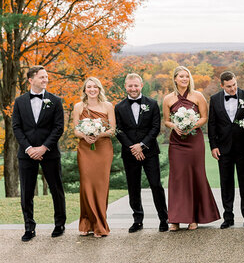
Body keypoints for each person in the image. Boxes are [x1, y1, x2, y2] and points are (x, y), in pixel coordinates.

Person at [12, 66, 67, 242]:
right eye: (42, 77)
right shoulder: (19, 102)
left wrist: (44, 147)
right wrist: (29, 148)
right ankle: (29, 227)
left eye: (46, 77)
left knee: (56, 189)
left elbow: (58, 127)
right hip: (26, 154)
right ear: (31, 80)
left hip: (49, 153)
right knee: (26, 192)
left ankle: (59, 224)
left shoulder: (55, 101)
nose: (45, 80)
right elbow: (16, 127)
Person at [162, 66, 220, 230]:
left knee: (195, 176)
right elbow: (166, 121)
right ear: (175, 78)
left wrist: (191, 125)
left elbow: (204, 117)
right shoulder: (168, 99)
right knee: (178, 178)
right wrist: (175, 125)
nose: (184, 79)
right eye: (181, 76)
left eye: (187, 76)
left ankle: (193, 218)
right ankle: (175, 219)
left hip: (194, 141)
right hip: (177, 142)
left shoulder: (198, 95)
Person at [115, 73, 168, 233]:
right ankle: (138, 220)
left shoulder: (152, 104)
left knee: (156, 185)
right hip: (130, 153)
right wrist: (133, 147)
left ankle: (163, 218)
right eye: (130, 86)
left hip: (149, 151)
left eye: (136, 85)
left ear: (141, 85)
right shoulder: (119, 107)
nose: (133, 88)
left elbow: (155, 128)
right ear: (125, 86)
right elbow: (119, 130)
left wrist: (142, 145)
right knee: (133, 186)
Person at [208, 71, 244, 228]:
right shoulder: (214, 99)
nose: (233, 88)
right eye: (229, 86)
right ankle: (228, 217)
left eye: (234, 84)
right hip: (223, 148)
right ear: (222, 85)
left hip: (243, 147)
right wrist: (213, 146)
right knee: (226, 183)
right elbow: (212, 124)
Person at [72, 77, 116, 237]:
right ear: (84, 90)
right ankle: (86, 223)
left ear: (99, 89)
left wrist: (98, 134)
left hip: (103, 149)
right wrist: (85, 136)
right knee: (86, 185)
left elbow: (112, 130)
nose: (92, 89)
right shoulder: (78, 107)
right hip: (85, 149)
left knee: (101, 185)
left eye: (95, 87)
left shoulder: (108, 106)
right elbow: (76, 130)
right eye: (89, 87)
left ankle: (99, 225)